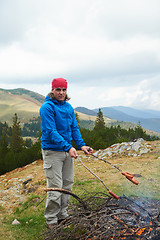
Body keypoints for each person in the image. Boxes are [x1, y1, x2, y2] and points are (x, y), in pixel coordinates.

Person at [40, 77, 93, 229]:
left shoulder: (68, 107)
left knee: (67, 184)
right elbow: (50, 132)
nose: (61, 93)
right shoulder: (47, 107)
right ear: (52, 90)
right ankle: (51, 220)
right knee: (56, 187)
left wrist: (82, 145)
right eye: (58, 90)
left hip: (67, 151)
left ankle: (63, 215)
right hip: (52, 152)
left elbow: (74, 128)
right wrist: (68, 147)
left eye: (64, 90)